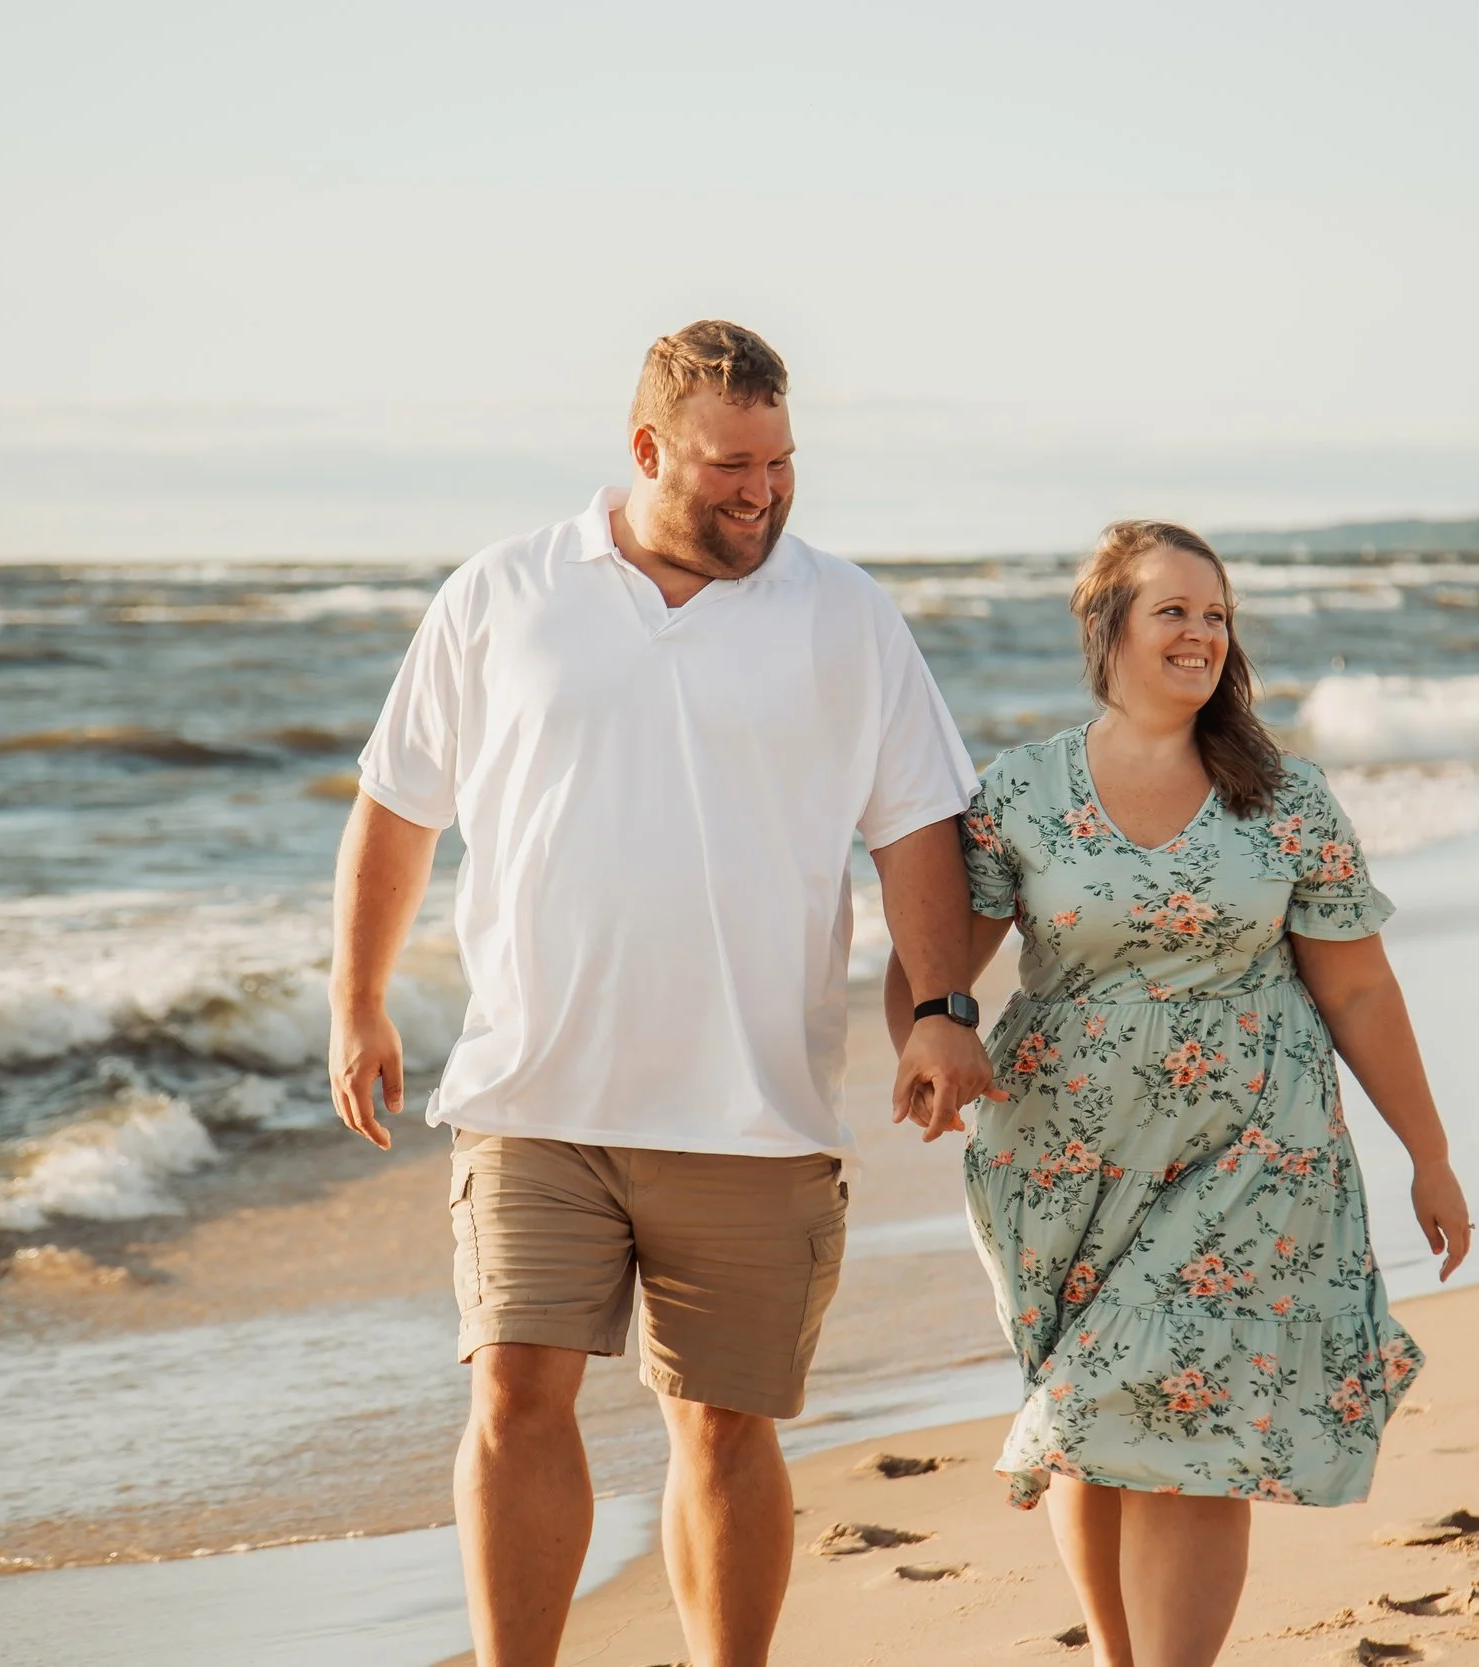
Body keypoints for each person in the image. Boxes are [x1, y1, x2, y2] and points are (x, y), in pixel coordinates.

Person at [328, 320, 997, 1667]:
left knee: (723, 1423)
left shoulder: (844, 612)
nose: (761, 492)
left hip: (754, 1100)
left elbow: (922, 825)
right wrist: (359, 1000)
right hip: (534, 1087)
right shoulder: (503, 592)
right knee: (515, 1395)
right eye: (730, 466)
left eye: (783, 464)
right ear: (647, 450)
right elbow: (397, 806)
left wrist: (942, 1008)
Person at [889, 521, 1469, 1667]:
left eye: (1216, 614)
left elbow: (1357, 991)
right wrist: (928, 1041)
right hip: (1061, 1157)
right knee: (1090, 1413)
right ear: (1105, 624)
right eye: (1174, 610)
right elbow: (940, 968)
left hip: (1255, 1143)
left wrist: (1429, 1151)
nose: (1202, 633)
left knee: (1189, 1408)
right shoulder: (1021, 791)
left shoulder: (1285, 796)